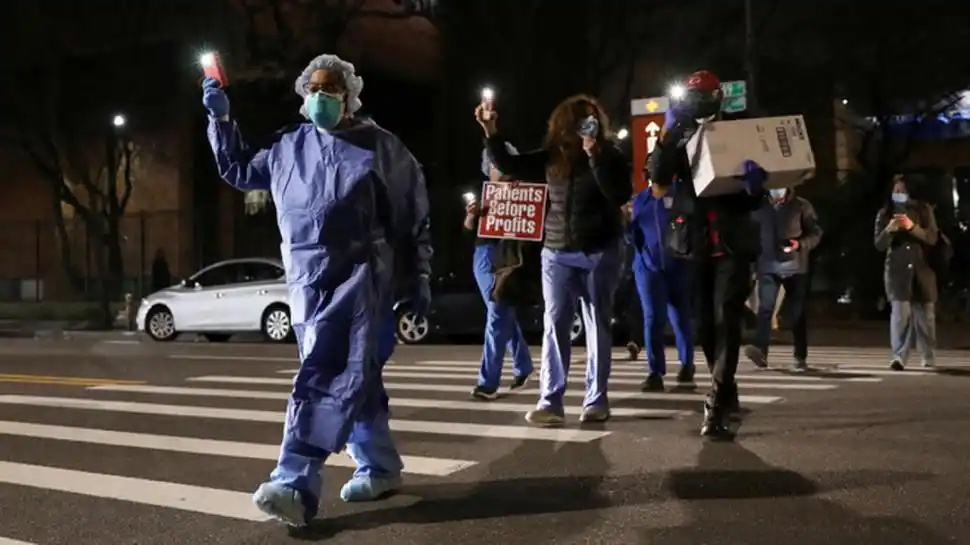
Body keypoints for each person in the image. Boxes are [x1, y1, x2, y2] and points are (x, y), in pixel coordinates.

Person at [201, 54, 433, 528]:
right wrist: (221, 119)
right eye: (314, 89)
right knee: (353, 378)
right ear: (303, 95)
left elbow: (412, 218)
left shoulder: (381, 149)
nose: (321, 97)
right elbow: (240, 169)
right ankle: (381, 465)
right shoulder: (288, 145)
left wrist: (418, 280)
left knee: (327, 374)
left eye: (331, 89)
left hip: (360, 279)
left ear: (349, 96)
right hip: (306, 281)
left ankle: (294, 482)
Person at [475, 94, 631, 426]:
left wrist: (595, 156)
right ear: (564, 126)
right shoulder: (552, 157)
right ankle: (550, 401)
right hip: (557, 253)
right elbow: (509, 166)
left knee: (597, 323)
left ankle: (596, 400)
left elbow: (619, 194)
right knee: (554, 323)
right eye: (579, 122)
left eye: (592, 121)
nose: (586, 127)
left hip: (599, 251)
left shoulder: (610, 155)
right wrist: (490, 131)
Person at [646, 70, 766, 440]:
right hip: (695, 242)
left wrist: (755, 186)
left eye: (704, 94)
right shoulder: (679, 132)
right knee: (703, 325)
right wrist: (667, 136)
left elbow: (756, 192)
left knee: (726, 316)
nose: (698, 100)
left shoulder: (738, 131)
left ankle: (715, 404)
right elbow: (657, 177)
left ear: (718, 97)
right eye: (692, 94)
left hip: (732, 242)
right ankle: (727, 390)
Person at [463, 145, 535, 400]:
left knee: (498, 314)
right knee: (501, 313)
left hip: (510, 257)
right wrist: (472, 216)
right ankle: (523, 365)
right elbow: (469, 226)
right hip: (484, 255)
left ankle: (488, 382)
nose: (498, 169)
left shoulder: (524, 189)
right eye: (494, 165)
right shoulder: (485, 192)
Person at [628, 177, 696, 390]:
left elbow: (692, 225)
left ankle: (687, 365)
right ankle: (655, 372)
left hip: (678, 266)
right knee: (652, 318)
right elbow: (632, 233)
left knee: (680, 316)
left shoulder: (681, 196)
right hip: (648, 268)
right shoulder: (641, 200)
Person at [744, 187, 823, 371]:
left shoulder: (801, 206)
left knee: (797, 313)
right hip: (768, 266)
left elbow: (816, 233)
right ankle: (761, 352)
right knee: (765, 309)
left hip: (796, 267)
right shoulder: (760, 206)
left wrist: (800, 244)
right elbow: (751, 234)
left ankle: (800, 356)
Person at [874, 175, 939, 370]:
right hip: (897, 270)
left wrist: (912, 228)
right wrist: (889, 230)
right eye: (896, 191)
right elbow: (878, 245)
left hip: (922, 269)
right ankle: (899, 356)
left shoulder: (923, 209)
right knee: (900, 315)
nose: (899, 195)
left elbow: (932, 237)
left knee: (925, 316)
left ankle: (928, 355)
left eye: (902, 191)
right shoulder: (885, 213)